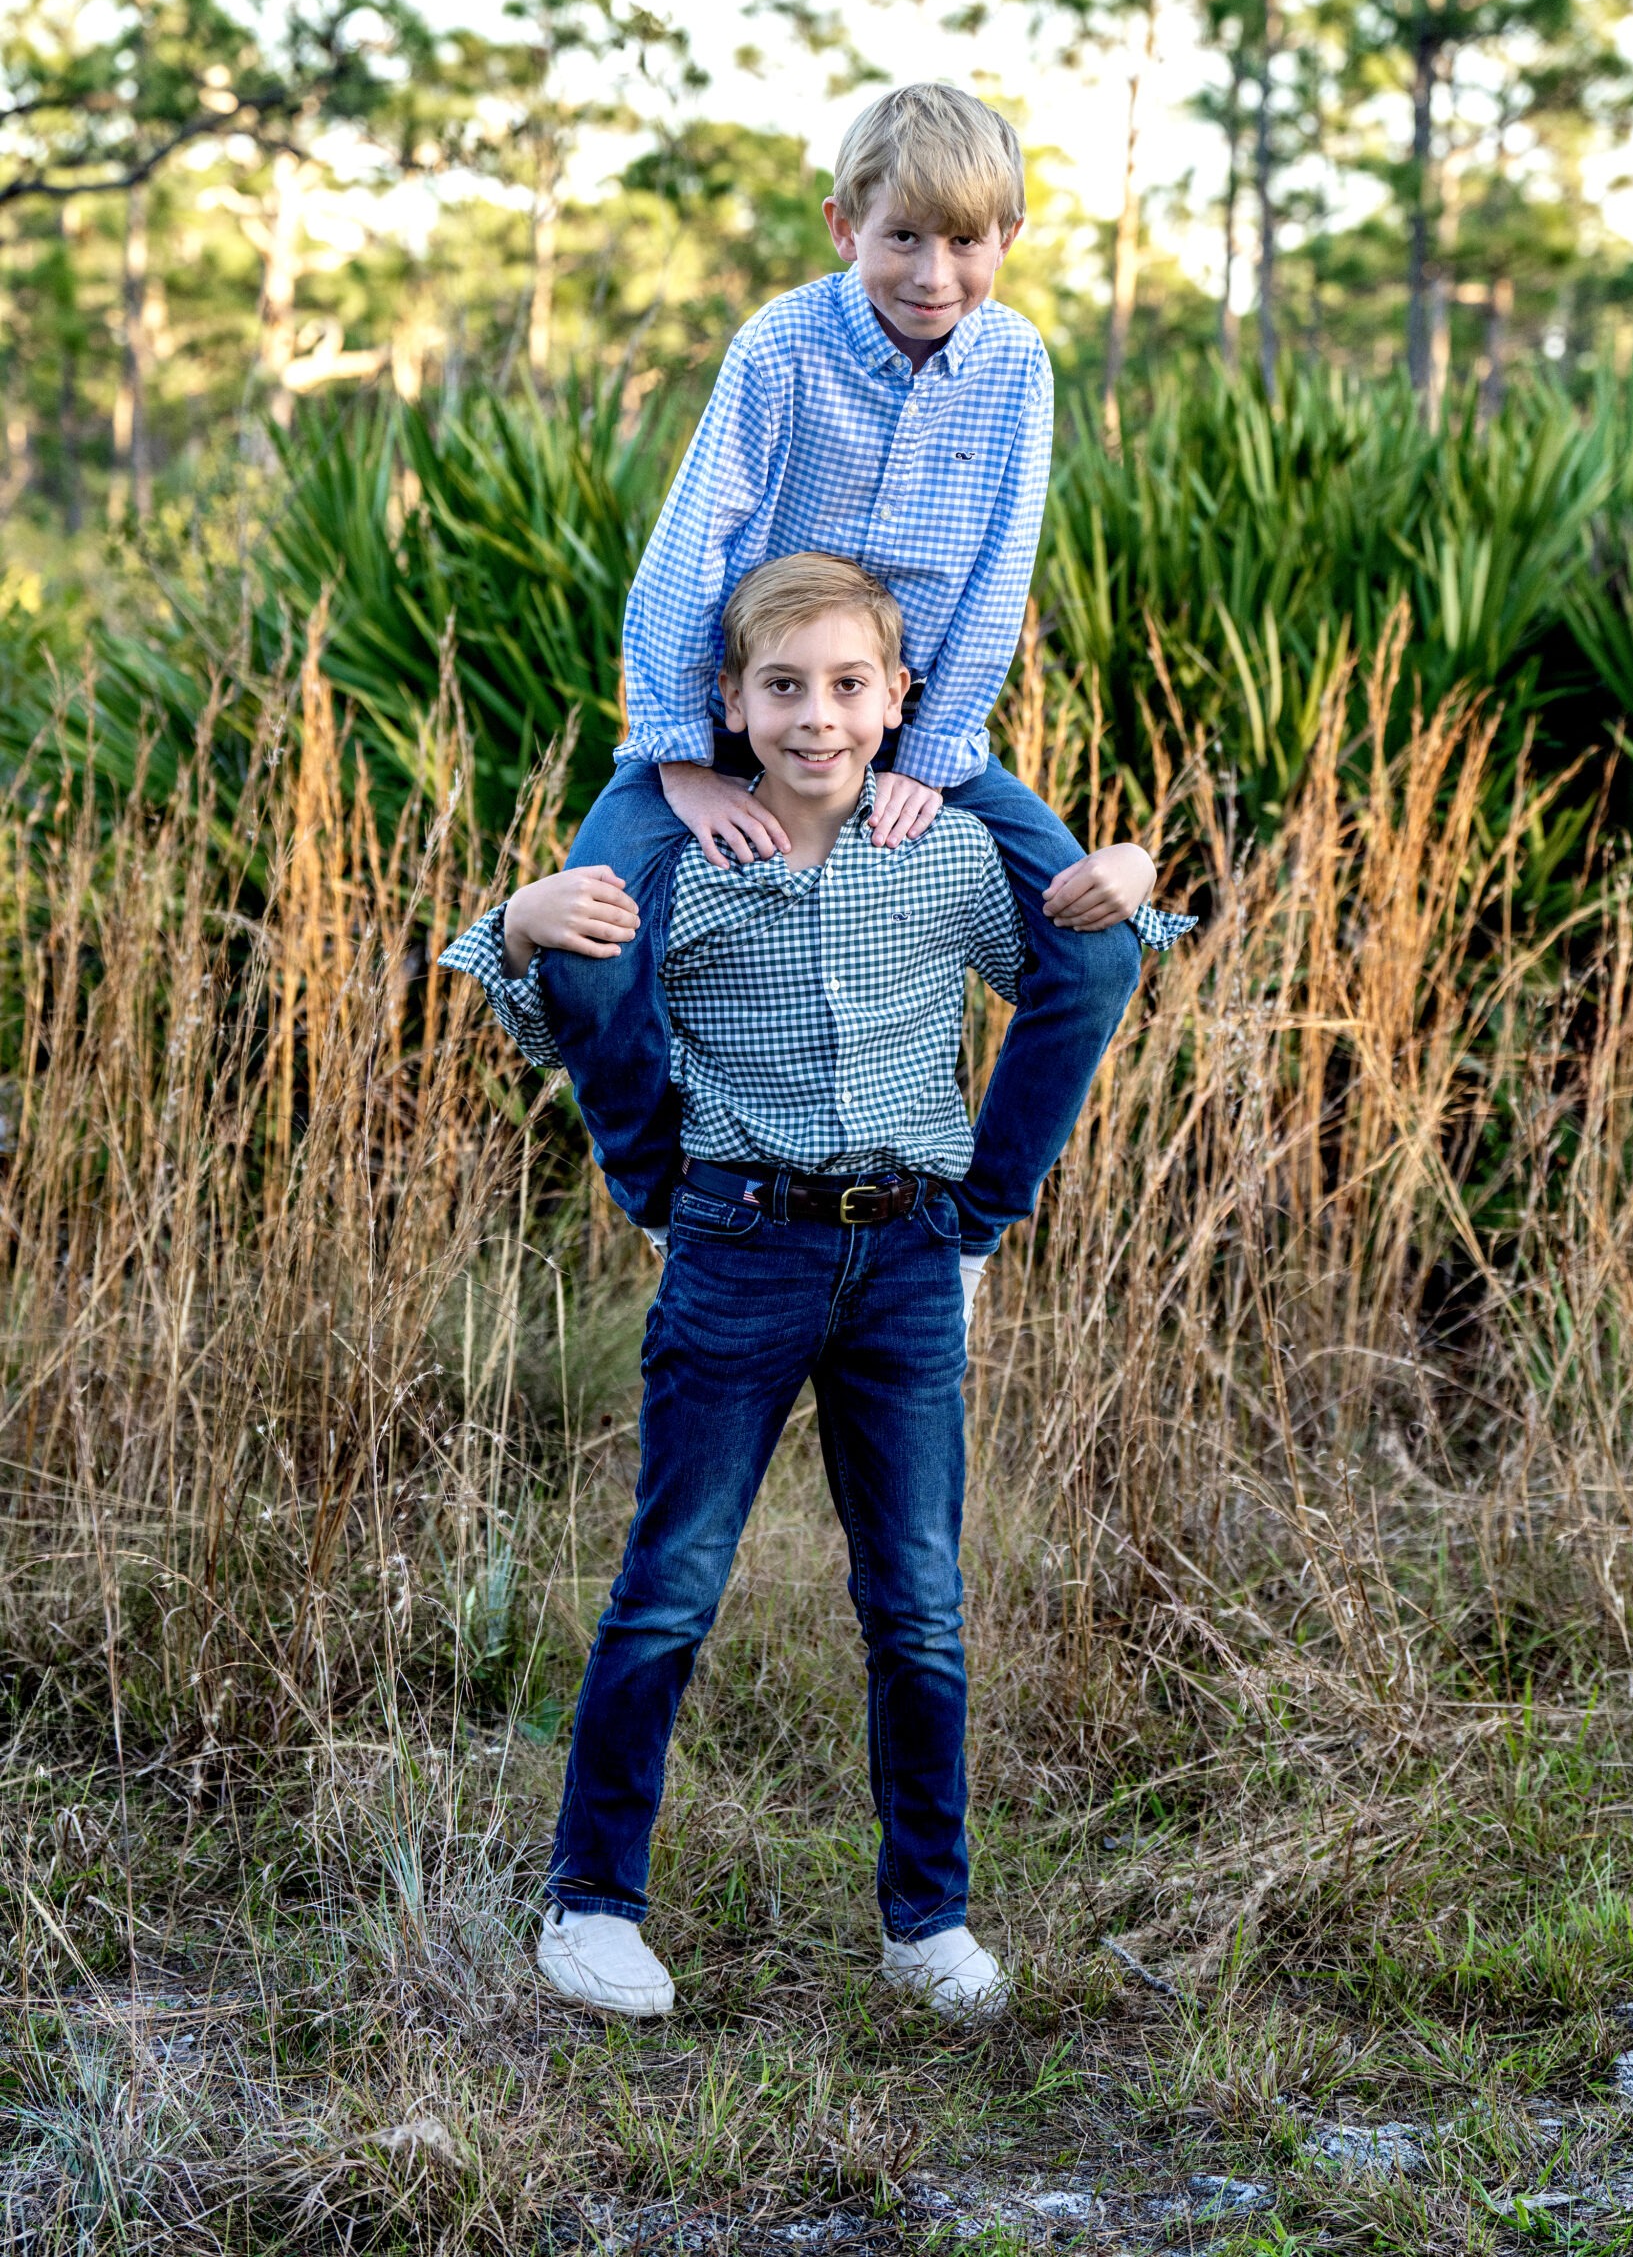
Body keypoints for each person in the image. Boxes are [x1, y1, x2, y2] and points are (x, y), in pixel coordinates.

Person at [441, 557, 1193, 2022]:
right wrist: (523, 925)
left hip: (911, 1251)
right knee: (671, 1586)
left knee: (916, 1599)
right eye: (782, 688)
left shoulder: (940, 851)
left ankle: (927, 1919)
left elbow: (1084, 960)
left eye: (849, 687)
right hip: (741, 1245)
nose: (815, 717)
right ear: (728, 704)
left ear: (899, 700)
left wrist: (1138, 882)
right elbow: (567, 1015)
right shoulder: (689, 858)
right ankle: (589, 1907)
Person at [532, 80, 1159, 1261]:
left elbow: (995, 571)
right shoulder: (779, 346)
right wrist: (681, 763)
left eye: (964, 242)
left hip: (898, 723)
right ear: (843, 228)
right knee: (592, 943)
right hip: (737, 717)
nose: (932, 275)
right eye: (902, 239)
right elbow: (689, 550)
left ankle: (966, 1233)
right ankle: (674, 1207)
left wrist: (928, 753)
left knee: (1093, 949)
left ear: (1007, 240)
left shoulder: (1018, 367)